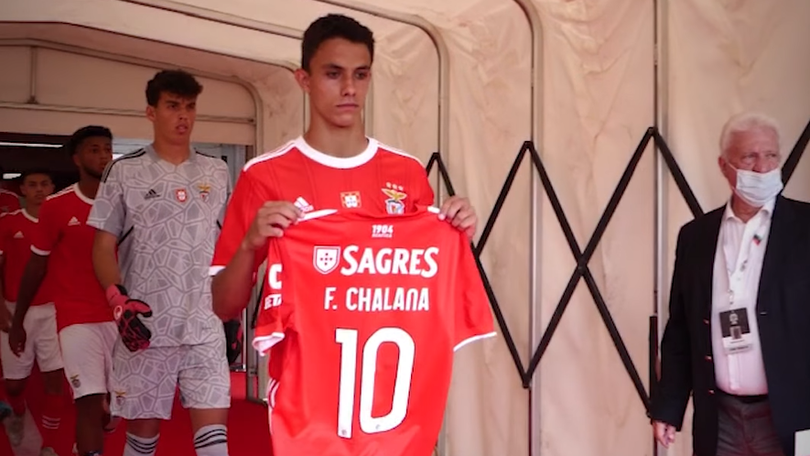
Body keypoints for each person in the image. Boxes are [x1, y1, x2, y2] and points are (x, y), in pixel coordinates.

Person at [209, 13, 481, 449]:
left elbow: (426, 284)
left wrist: (455, 227)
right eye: (333, 74)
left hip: (396, 417)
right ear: (304, 79)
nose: (349, 89)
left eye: (361, 74)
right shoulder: (265, 176)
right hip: (310, 421)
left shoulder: (407, 173)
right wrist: (249, 244)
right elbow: (223, 303)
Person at [88, 69, 232, 456]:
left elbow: (228, 245)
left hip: (204, 325)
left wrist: (232, 307)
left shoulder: (217, 172)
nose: (183, 115)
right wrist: (117, 301)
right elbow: (103, 246)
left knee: (215, 447)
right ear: (151, 112)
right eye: (172, 106)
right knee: (142, 444)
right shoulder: (125, 171)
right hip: (146, 328)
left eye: (189, 107)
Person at [651, 112, 810, 456]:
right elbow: (680, 329)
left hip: (792, 416)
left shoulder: (805, 228)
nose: (763, 167)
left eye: (771, 156)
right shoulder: (696, 236)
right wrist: (668, 406)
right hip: (720, 418)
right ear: (725, 166)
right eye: (750, 157)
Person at [9, 126, 117, 456]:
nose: (102, 156)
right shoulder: (57, 207)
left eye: (106, 149)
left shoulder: (127, 201)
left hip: (120, 318)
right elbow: (36, 266)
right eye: (93, 149)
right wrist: (18, 320)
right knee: (87, 401)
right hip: (76, 318)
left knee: (111, 410)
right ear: (77, 157)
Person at [0, 169, 62, 455]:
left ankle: (50, 443)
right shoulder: (8, 223)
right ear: (22, 190)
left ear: (52, 187)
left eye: (44, 184)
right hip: (15, 311)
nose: (39, 189)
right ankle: (18, 411)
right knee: (14, 385)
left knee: (54, 378)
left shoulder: (62, 221)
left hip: (53, 310)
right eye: (33, 185)